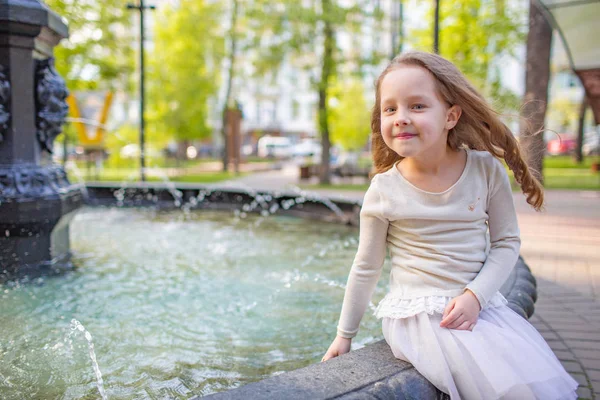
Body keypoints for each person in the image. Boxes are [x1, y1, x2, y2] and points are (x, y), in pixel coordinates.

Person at [321, 51, 578, 399]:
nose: (400, 118)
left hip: (479, 307)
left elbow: (506, 243)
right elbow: (367, 267)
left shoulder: (485, 170)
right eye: (390, 108)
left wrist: (475, 296)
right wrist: (344, 335)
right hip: (419, 317)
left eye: (417, 106)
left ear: (451, 116)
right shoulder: (384, 190)